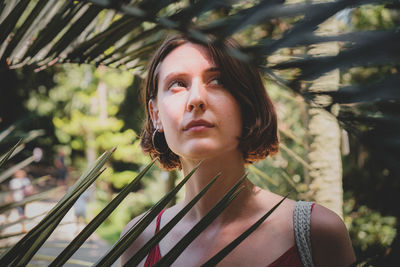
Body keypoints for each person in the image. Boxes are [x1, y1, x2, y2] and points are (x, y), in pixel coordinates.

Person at [121, 34, 355, 267]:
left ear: (246, 103)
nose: (196, 99)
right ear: (156, 115)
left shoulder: (317, 233)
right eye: (178, 84)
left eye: (217, 81)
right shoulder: (138, 241)